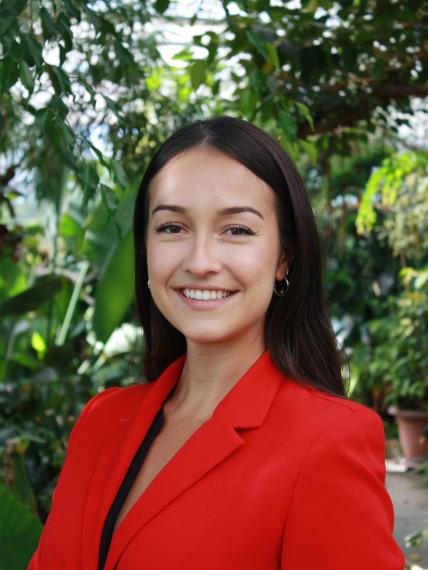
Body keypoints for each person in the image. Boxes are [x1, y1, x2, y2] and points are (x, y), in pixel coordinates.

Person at [28, 116, 405, 569]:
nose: (200, 261)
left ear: (285, 258)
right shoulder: (101, 422)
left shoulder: (327, 442)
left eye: (237, 230)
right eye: (172, 228)